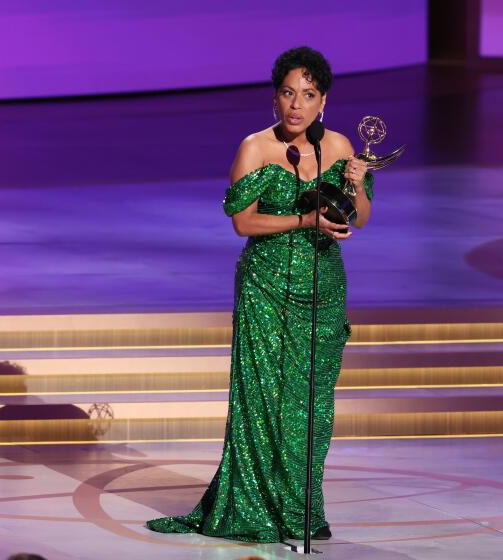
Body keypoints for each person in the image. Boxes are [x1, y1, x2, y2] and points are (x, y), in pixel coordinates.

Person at [146, 46, 373, 543]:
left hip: (322, 286)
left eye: (308, 95)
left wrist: (356, 186)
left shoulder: (337, 146)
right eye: (289, 93)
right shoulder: (255, 147)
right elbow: (242, 221)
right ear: (275, 98)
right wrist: (304, 219)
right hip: (266, 287)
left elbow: (361, 217)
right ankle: (253, 506)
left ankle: (301, 508)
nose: (297, 105)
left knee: (311, 402)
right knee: (265, 398)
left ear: (323, 101)